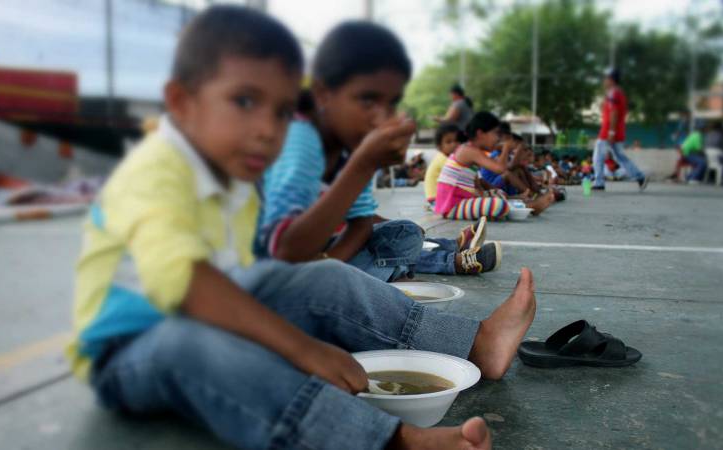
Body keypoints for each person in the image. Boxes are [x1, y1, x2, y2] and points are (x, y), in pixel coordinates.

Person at [66, 7, 538, 450]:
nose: (268, 128)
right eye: (245, 101)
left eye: (279, 110)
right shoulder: (155, 170)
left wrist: (293, 323)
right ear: (181, 102)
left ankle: (475, 344)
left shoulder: (233, 179)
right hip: (130, 347)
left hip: (216, 309)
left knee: (325, 279)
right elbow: (190, 286)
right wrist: (301, 347)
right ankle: (389, 441)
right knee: (189, 346)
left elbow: (268, 269)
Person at [261, 21, 500, 279]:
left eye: (391, 103)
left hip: (329, 254)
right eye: (367, 99)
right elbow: (284, 254)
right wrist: (364, 164)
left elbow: (361, 224)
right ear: (322, 93)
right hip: (275, 268)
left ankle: (385, 270)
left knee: (405, 233)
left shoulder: (351, 147)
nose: (380, 118)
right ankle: (439, 261)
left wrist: (332, 268)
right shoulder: (300, 138)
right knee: (383, 264)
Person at [592, 68, 649, 191]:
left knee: (598, 156)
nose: (604, 81)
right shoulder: (616, 93)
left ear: (611, 80)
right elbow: (608, 109)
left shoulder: (614, 93)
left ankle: (599, 182)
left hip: (608, 131)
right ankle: (640, 177)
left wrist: (611, 132)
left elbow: (614, 113)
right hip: (616, 131)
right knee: (620, 157)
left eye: (606, 78)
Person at [425, 123, 461, 206]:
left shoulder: (449, 157)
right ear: (439, 146)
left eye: (457, 141)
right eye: (449, 142)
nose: (454, 144)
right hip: (436, 199)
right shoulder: (442, 159)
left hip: (439, 198)